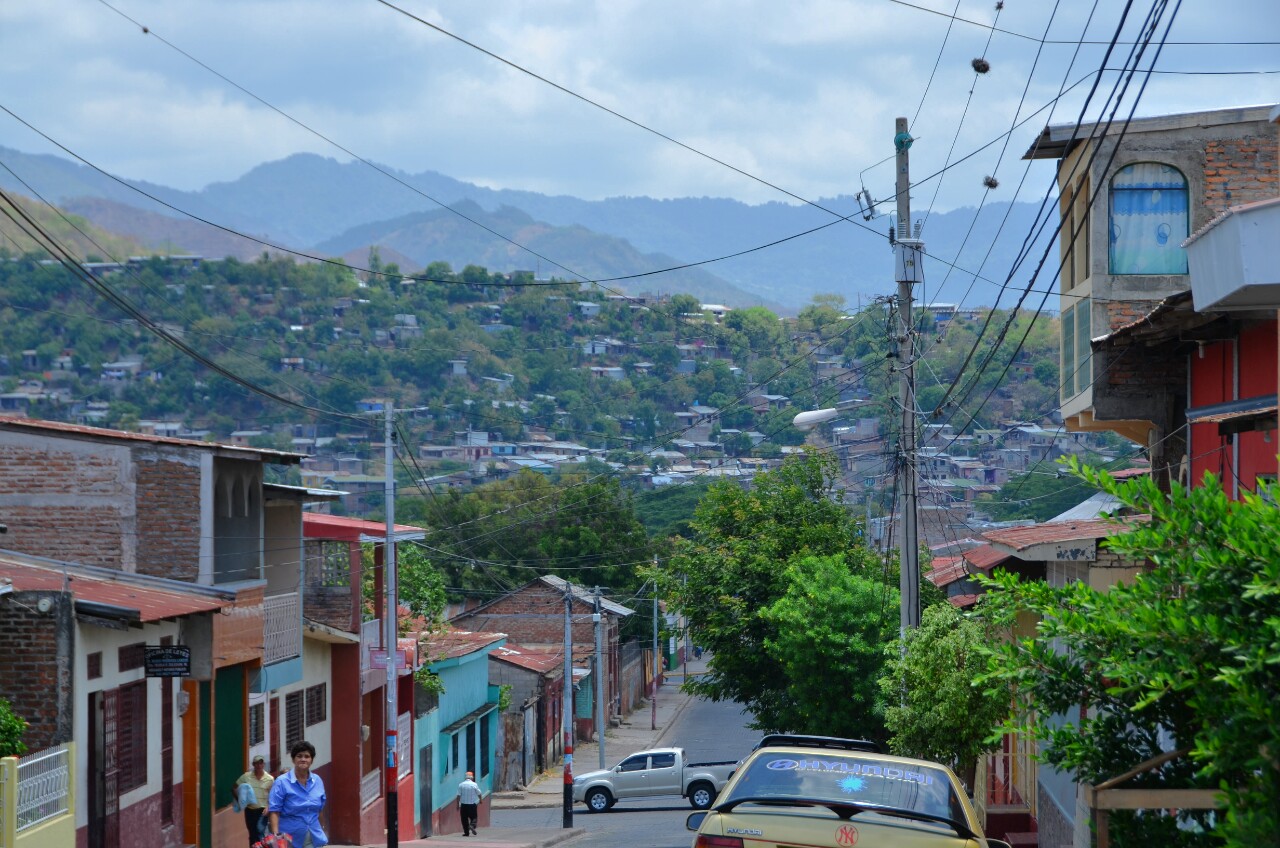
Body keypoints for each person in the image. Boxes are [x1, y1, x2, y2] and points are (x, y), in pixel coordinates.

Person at [267, 741, 328, 847]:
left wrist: (322, 828)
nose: (303, 759)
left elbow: (320, 809)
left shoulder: (317, 780)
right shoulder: (282, 782)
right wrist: (276, 837)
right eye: (299, 756)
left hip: (314, 836)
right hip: (289, 839)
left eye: (307, 756)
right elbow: (274, 811)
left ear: (312, 760)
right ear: (293, 759)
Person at [233, 754, 274, 848]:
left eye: (261, 763)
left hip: (262, 810)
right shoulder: (246, 776)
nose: (259, 765)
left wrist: (268, 807)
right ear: (253, 764)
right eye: (256, 763)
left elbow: (273, 795)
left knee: (260, 830)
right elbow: (234, 787)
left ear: (263, 764)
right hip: (250, 810)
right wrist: (239, 800)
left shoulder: (270, 779)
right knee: (252, 833)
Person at [458, 770, 481, 836]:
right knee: (474, 817)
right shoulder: (474, 784)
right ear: (472, 777)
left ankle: (466, 833)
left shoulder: (461, 785)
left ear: (465, 777)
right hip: (472, 805)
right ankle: (472, 825)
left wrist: (457, 804)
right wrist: (481, 800)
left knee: (464, 819)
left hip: (463, 805)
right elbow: (479, 793)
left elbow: (458, 795)